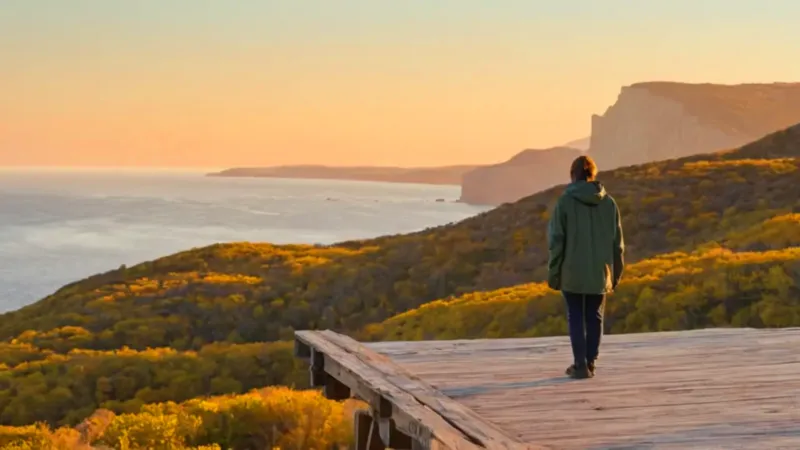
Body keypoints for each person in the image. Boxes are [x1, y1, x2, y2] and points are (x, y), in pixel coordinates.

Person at [547, 155, 624, 379]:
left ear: (573, 175)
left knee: (575, 316)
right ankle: (590, 362)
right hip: (600, 272)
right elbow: (617, 244)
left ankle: (580, 365)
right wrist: (616, 274)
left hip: (571, 271)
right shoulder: (609, 203)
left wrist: (554, 272)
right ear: (593, 174)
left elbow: (556, 241)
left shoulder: (565, 202)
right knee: (594, 316)